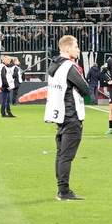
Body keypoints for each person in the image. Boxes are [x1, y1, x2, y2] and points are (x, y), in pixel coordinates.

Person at [45, 33, 89, 201]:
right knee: (66, 156)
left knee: (60, 154)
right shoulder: (70, 67)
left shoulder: (54, 66)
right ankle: (64, 191)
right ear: (68, 48)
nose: (78, 50)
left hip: (60, 114)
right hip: (71, 115)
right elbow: (85, 89)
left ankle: (61, 189)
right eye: (76, 46)